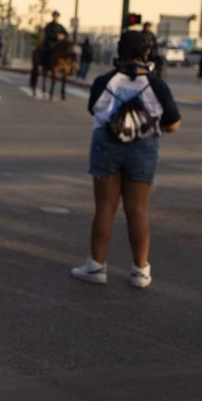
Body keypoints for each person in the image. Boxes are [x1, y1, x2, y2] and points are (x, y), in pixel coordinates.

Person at [71, 30, 180, 290]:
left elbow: (93, 109)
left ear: (120, 51)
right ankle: (140, 271)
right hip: (143, 148)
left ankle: (96, 266)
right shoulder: (157, 84)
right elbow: (173, 124)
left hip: (107, 144)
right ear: (146, 52)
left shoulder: (105, 81)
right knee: (138, 209)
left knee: (105, 207)